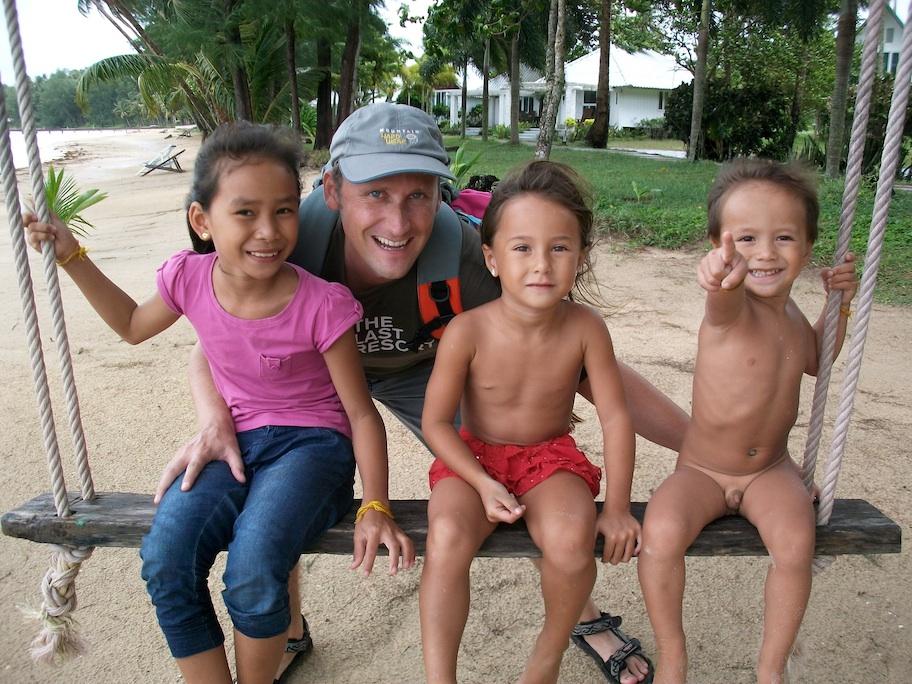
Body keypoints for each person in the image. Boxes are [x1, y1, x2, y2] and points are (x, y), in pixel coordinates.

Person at [176, 103, 686, 683]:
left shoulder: (465, 258)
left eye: (418, 195)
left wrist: (700, 447)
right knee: (278, 470)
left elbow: (594, 378)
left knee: (514, 467)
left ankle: (580, 610)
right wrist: (214, 416)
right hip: (311, 377)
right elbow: (212, 338)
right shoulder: (283, 233)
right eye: (375, 194)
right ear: (335, 188)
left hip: (425, 366)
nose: (397, 224)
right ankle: (290, 626)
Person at [24, 122, 414, 684]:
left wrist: (374, 504)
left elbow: (359, 413)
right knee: (166, 559)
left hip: (314, 449)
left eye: (283, 211)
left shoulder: (322, 303)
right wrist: (72, 256)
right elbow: (133, 326)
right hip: (235, 441)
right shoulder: (189, 278)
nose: (269, 230)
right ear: (202, 221)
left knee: (254, 569)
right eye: (245, 212)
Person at [419, 160, 643, 683]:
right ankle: (438, 678)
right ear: (492, 258)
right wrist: (481, 481)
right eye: (522, 248)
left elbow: (615, 416)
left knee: (571, 537)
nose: (541, 264)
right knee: (448, 533)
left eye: (559, 247)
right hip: (473, 459)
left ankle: (544, 663)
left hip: (549, 458)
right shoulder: (466, 331)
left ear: (580, 257)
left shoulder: (586, 327)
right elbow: (435, 424)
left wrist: (616, 508)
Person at [636, 159, 858, 684]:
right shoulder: (731, 308)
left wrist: (839, 304)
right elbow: (721, 294)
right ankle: (673, 653)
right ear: (719, 243)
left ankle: (770, 667)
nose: (764, 253)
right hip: (703, 472)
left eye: (783, 237)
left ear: (805, 248)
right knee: (661, 533)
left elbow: (816, 359)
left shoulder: (794, 316)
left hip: (769, 471)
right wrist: (719, 277)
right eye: (746, 239)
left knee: (796, 542)